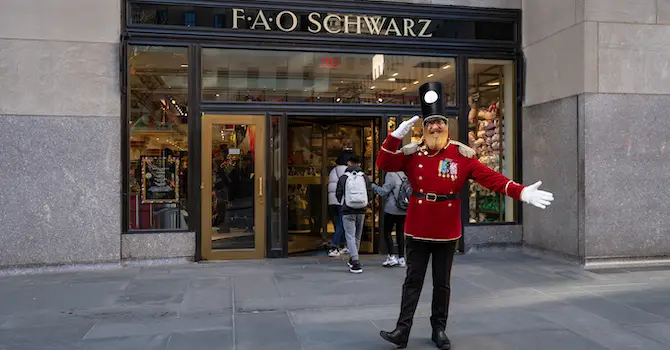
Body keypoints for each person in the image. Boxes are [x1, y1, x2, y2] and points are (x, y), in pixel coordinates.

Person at [376, 82, 554, 349]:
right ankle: (402, 330)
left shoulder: (461, 156)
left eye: (440, 124)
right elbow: (384, 163)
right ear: (423, 129)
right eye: (430, 124)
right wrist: (394, 136)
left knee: (441, 284)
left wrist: (520, 193)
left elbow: (491, 178)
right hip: (418, 226)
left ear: (447, 127)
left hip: (446, 229)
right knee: (412, 281)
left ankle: (439, 330)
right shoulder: (412, 155)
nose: (436, 128)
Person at [335, 155, 372, 273]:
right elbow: (370, 193)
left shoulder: (343, 177)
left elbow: (338, 194)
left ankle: (355, 262)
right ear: (359, 164)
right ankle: (353, 258)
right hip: (361, 210)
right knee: (357, 236)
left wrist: (343, 202)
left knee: (349, 236)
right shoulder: (364, 177)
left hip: (347, 210)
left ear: (349, 163)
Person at [372, 170, 408, 267]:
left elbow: (384, 191)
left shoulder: (391, 174)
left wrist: (373, 186)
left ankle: (391, 256)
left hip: (392, 208)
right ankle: (401, 258)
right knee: (400, 232)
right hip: (404, 208)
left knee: (387, 231)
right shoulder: (404, 174)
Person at [327, 144, 355, 257]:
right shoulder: (348, 171)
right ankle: (333, 247)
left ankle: (342, 246)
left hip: (332, 201)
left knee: (338, 224)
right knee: (342, 225)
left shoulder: (333, 170)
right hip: (342, 201)